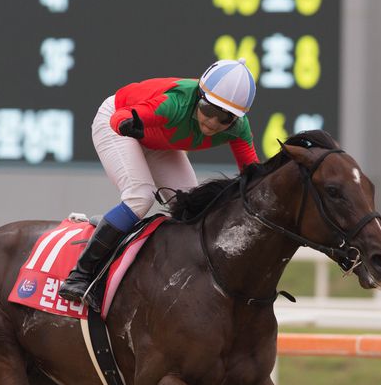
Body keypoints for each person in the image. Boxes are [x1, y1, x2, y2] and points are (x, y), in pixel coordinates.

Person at [58, 58, 259, 307]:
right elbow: (120, 117)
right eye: (209, 110)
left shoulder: (239, 129)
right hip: (117, 123)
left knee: (191, 208)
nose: (212, 123)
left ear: (236, 120)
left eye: (225, 118)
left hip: (160, 140)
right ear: (199, 96)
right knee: (140, 196)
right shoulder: (173, 103)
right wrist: (129, 124)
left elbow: (252, 173)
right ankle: (80, 275)